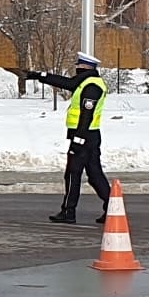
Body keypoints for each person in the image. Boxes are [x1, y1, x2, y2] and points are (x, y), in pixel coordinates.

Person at [13, 52, 111, 224]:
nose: (76, 69)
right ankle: (111, 208)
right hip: (89, 136)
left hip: (84, 136)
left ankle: (69, 212)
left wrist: (79, 139)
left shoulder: (92, 86)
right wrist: (38, 76)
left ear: (85, 67)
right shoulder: (86, 82)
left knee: (73, 174)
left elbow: (86, 114)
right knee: (94, 174)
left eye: (78, 66)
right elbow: (66, 83)